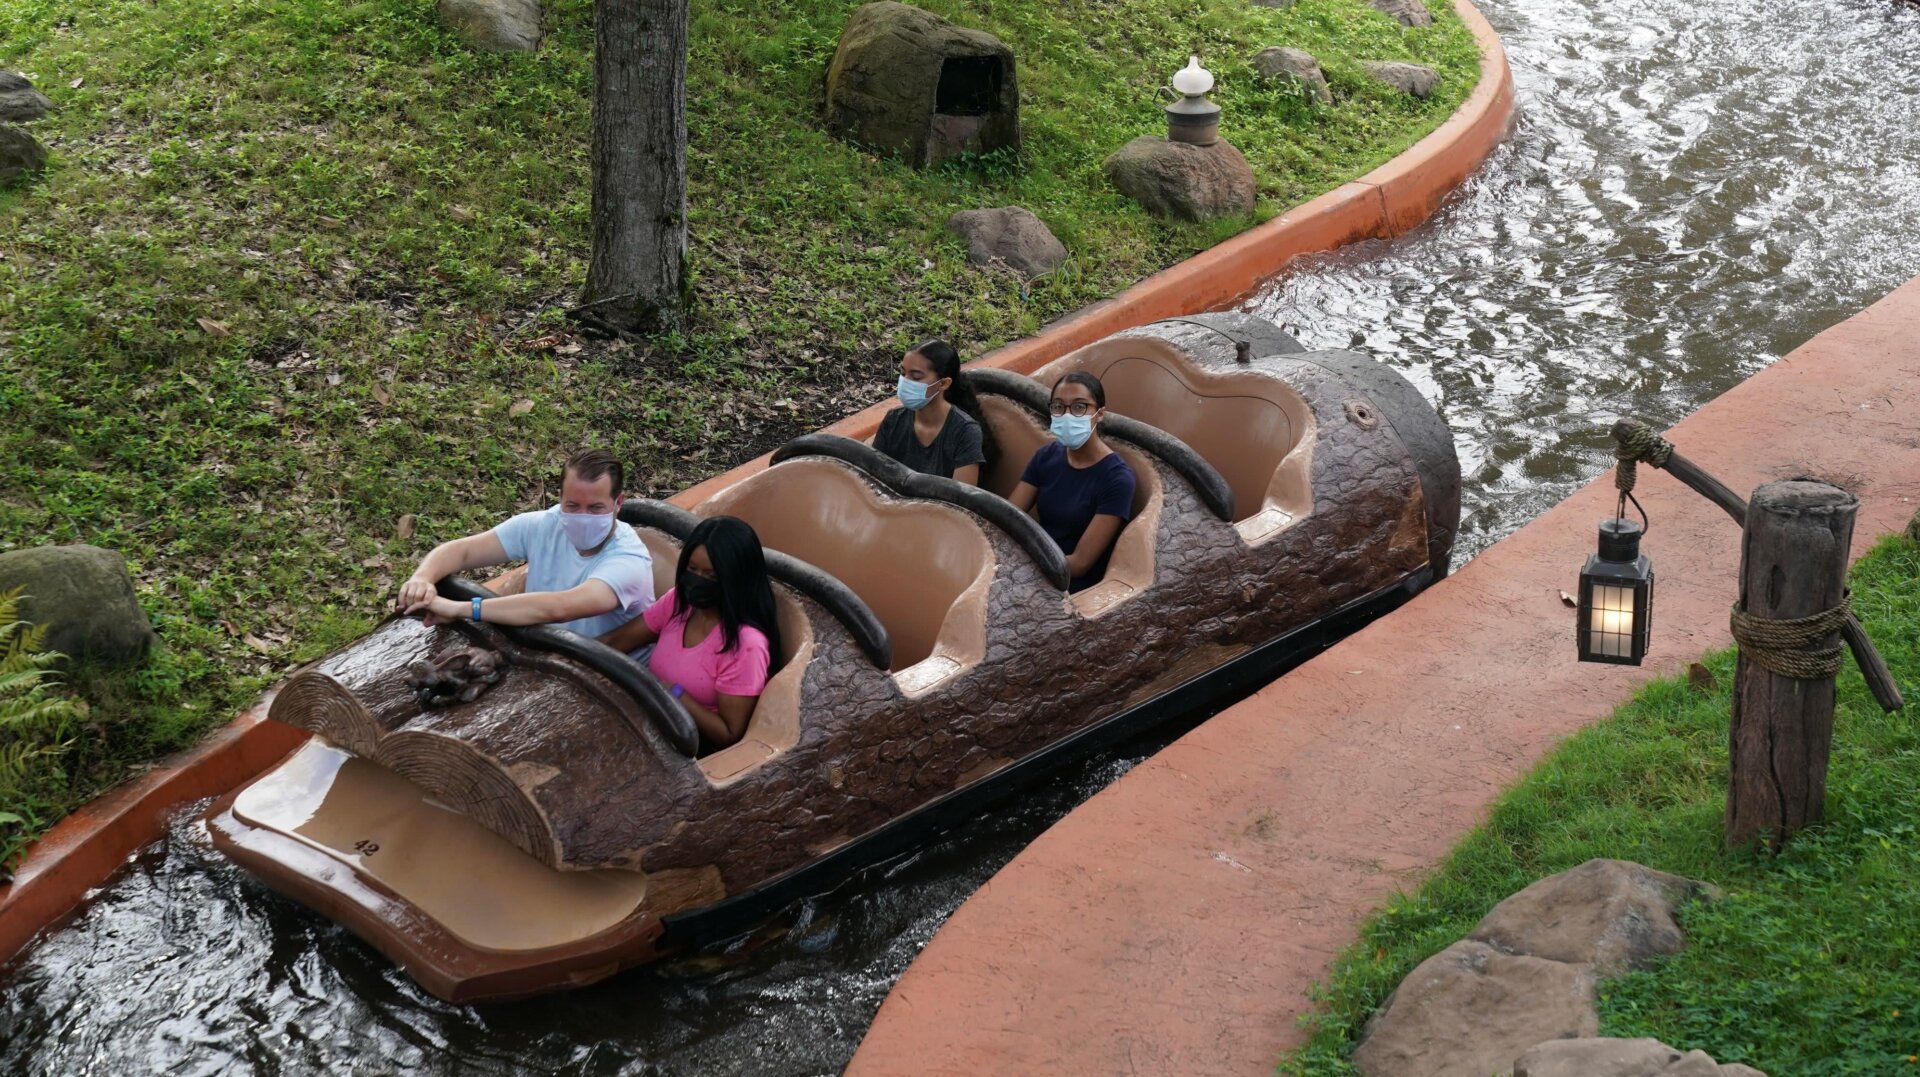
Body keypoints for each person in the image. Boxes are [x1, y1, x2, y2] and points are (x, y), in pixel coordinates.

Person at [396, 448, 654, 637]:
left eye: (596, 508)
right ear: (560, 498)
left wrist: (459, 608)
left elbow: (560, 607)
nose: (582, 517)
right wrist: (423, 577)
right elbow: (463, 551)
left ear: (618, 503)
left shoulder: (629, 561)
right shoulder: (544, 525)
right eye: (573, 506)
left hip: (610, 675)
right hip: (546, 649)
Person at [602, 516, 781, 751]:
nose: (697, 581)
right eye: (692, 569)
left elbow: (728, 733)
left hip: (689, 749)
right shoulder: (680, 603)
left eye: (712, 576)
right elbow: (616, 641)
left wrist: (674, 694)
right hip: (650, 721)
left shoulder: (746, 645)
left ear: (734, 580)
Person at [1009, 372, 1137, 593]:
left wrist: (1023, 568)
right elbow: (1010, 516)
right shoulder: (1047, 456)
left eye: (1079, 407)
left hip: (1070, 585)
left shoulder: (1117, 479)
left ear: (1099, 414)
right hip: (1031, 567)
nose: (1067, 415)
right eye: (1058, 407)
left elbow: (1080, 564)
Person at [872, 339, 994, 485]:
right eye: (903, 373)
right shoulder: (894, 419)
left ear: (943, 383)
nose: (905, 382)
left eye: (916, 377)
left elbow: (960, 500)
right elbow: (873, 477)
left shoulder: (965, 432)